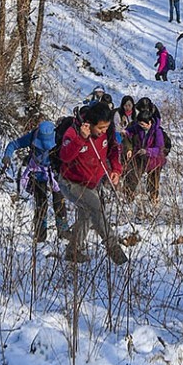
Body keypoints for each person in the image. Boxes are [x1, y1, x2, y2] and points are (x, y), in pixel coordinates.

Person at [57, 99, 128, 265]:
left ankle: (72, 251)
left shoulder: (107, 132)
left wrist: (116, 170)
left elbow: (113, 150)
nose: (103, 131)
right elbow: (65, 156)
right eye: (100, 128)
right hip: (71, 183)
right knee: (96, 208)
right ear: (89, 123)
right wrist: (81, 138)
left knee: (86, 216)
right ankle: (114, 249)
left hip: (91, 183)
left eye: (106, 127)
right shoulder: (73, 133)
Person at [2, 118, 70, 244]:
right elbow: (14, 144)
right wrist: (7, 156)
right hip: (37, 171)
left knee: (59, 201)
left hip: (55, 171)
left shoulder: (60, 137)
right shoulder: (33, 136)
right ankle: (40, 234)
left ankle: (63, 231)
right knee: (41, 204)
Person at [123, 98, 169, 203]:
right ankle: (128, 196)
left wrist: (147, 151)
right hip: (140, 157)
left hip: (154, 160)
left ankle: (153, 198)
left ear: (149, 123)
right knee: (133, 175)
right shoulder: (139, 127)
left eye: (143, 125)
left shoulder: (157, 132)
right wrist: (126, 132)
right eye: (140, 124)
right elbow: (131, 130)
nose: (141, 126)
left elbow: (160, 149)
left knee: (153, 180)